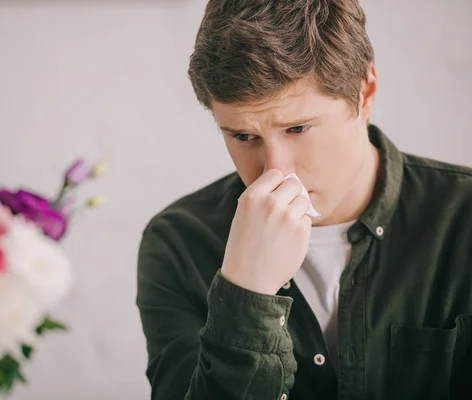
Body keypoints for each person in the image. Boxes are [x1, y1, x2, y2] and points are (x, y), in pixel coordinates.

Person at [136, 0, 472, 399]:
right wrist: (248, 291)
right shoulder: (179, 241)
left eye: (297, 128)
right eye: (243, 137)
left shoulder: (463, 217)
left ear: (365, 93)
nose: (276, 171)